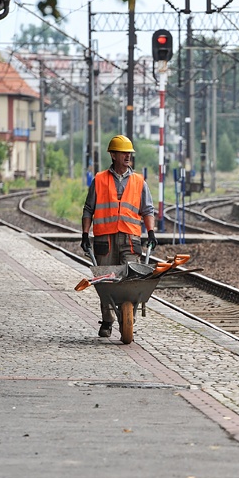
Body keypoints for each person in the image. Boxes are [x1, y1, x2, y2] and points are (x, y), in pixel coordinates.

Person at [81, 135, 157, 337]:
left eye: (129, 153)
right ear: (113, 155)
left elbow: (147, 210)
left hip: (130, 239)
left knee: (132, 279)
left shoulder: (139, 182)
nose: (128, 156)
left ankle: (127, 316)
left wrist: (150, 232)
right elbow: (88, 209)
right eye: (124, 153)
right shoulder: (99, 180)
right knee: (106, 281)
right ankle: (107, 320)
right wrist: (84, 234)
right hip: (104, 240)